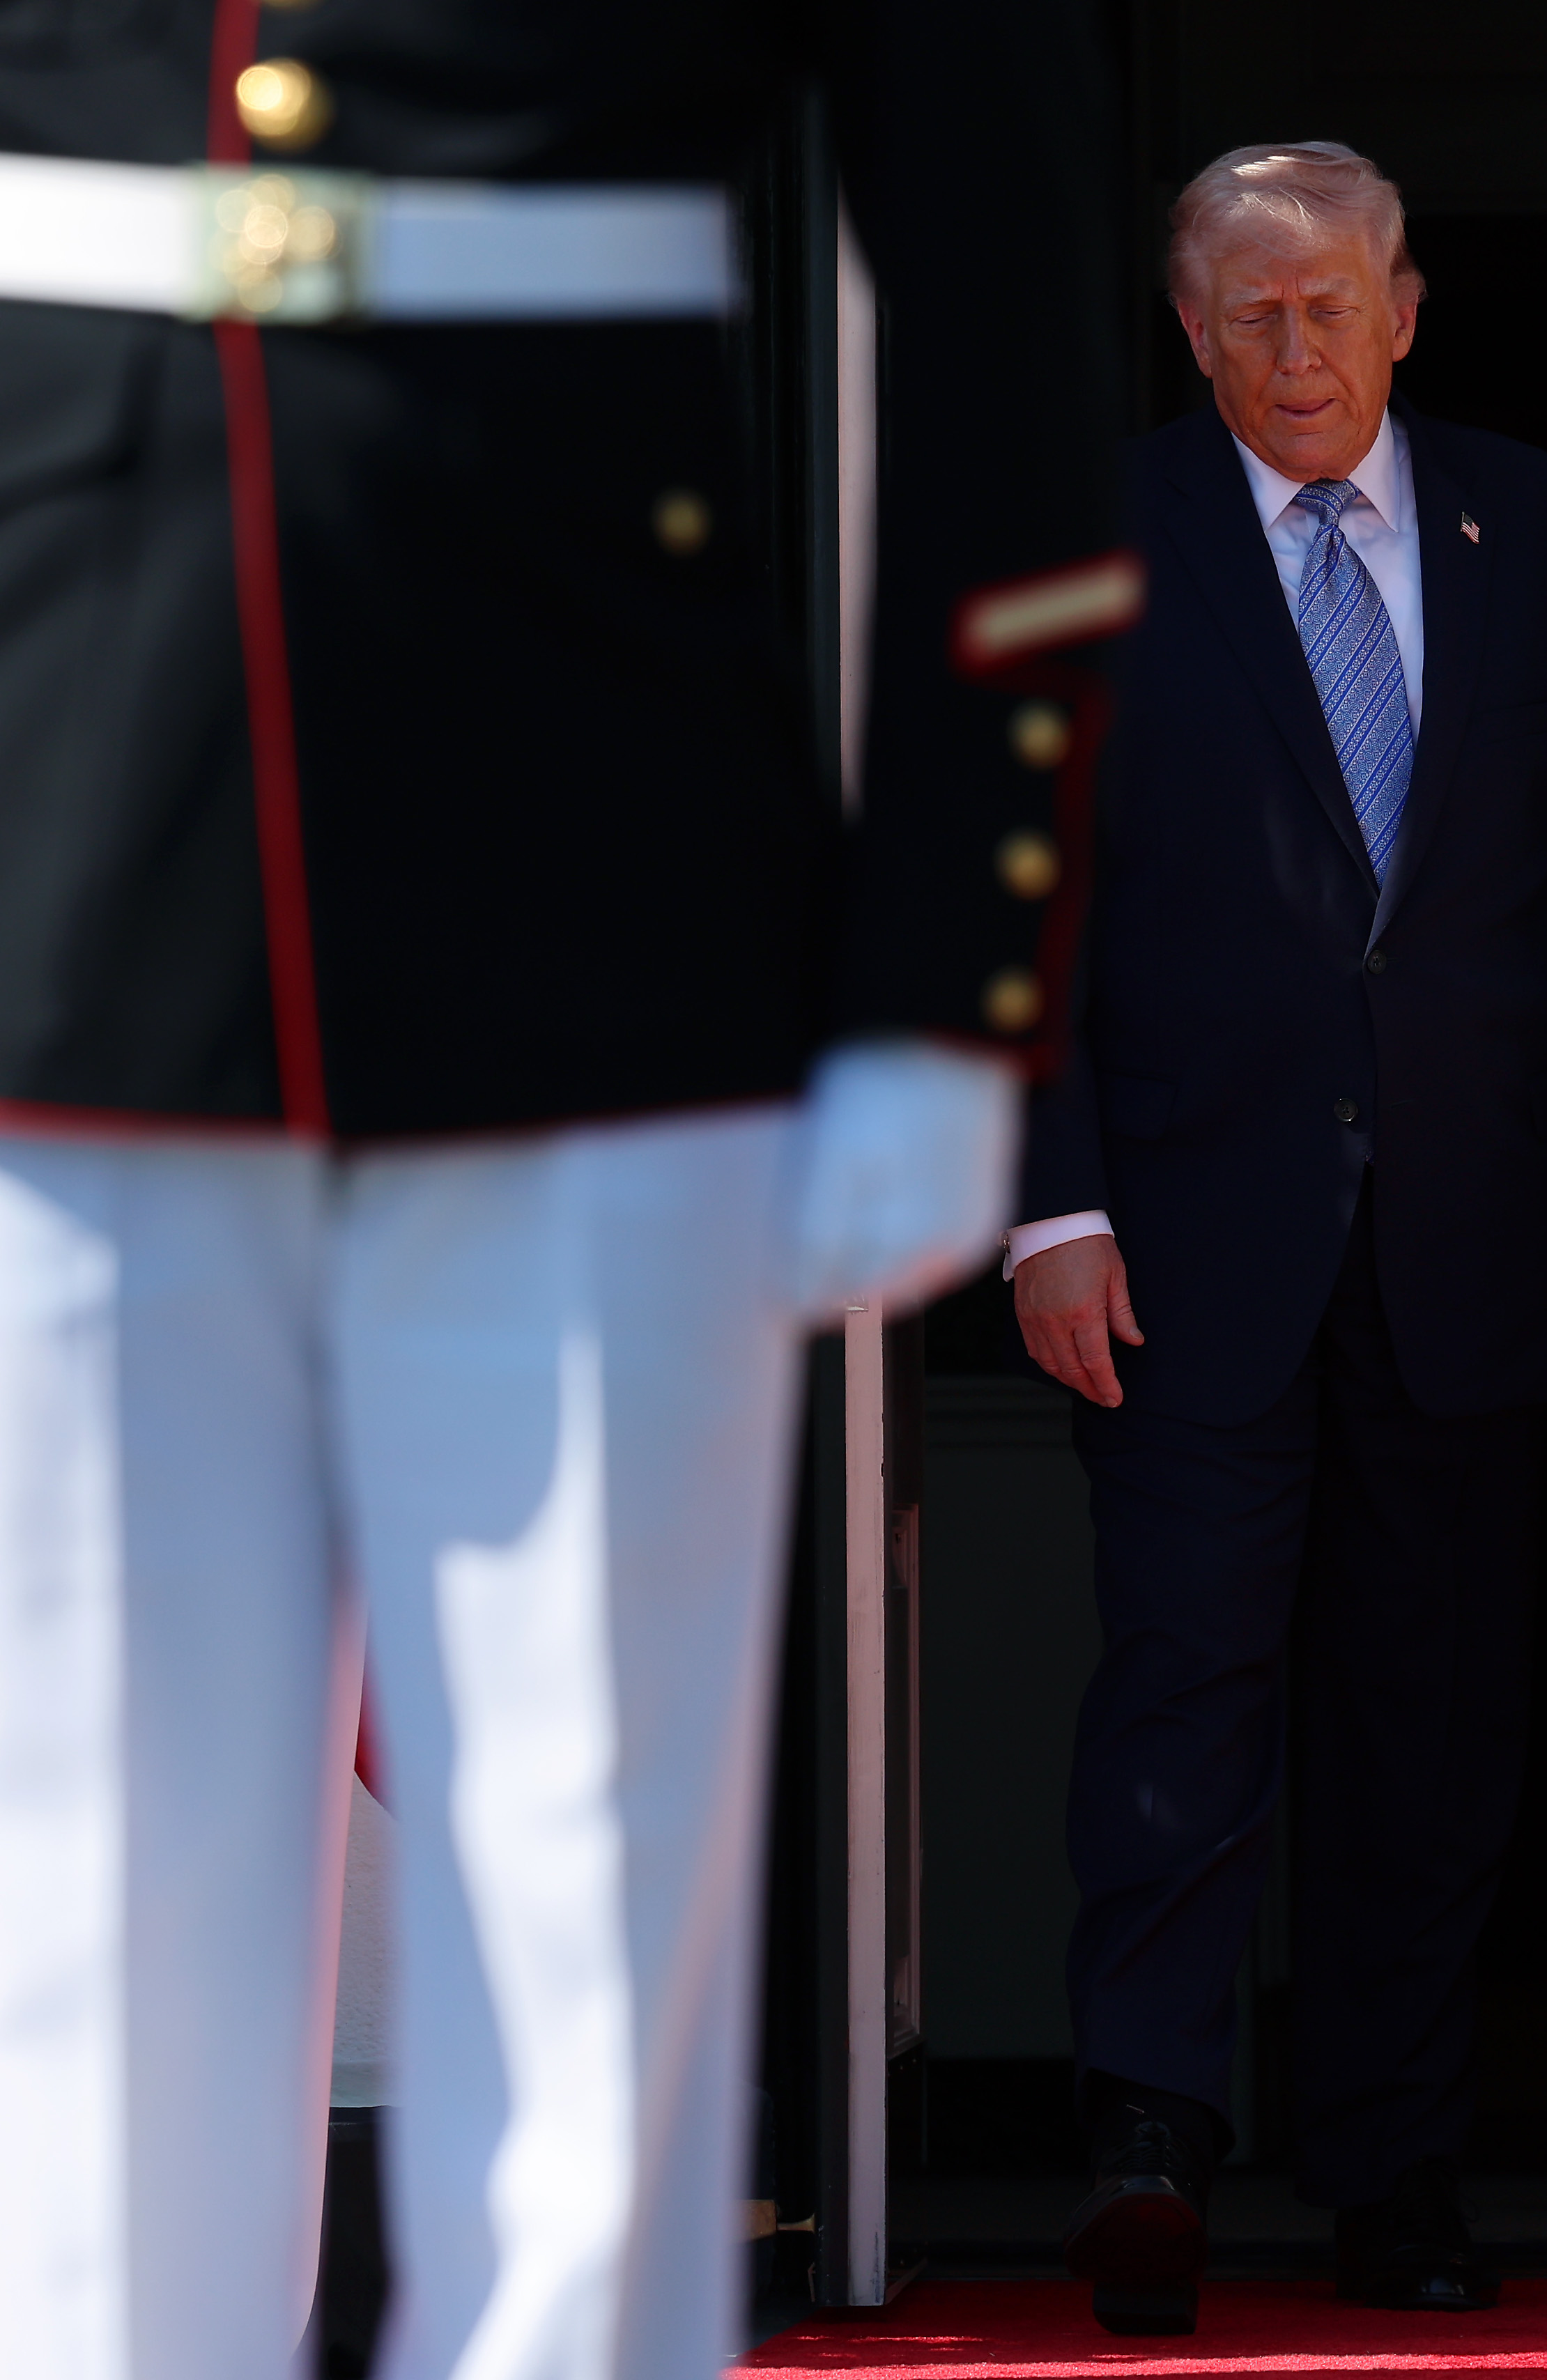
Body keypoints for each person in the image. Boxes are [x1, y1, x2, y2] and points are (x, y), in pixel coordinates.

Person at [0, 9, 1129, 2379]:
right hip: (65, 871)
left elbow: (1006, 314)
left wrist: (950, 975)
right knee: (92, 1951)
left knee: (586, 1959)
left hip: (598, 884)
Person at [1007, 141, 1547, 2335]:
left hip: (1479, 1241)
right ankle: (1150, 2143)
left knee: (1430, 1724)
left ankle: (1395, 2173)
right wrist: (1051, 1204)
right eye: (1247, 312)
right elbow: (1027, 903)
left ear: (1404, 308)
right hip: (1178, 1238)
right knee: (1179, 1700)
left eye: (1330, 304)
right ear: (1188, 332)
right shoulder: (1090, 539)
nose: (1295, 348)